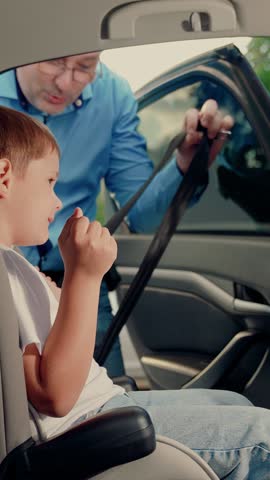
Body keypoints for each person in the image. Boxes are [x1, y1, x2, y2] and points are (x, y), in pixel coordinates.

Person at [0, 105, 270, 480]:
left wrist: (58, 297)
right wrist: (83, 274)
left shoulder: (12, 265)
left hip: (101, 405)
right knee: (263, 438)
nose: (58, 201)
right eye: (49, 182)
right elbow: (55, 395)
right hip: (88, 425)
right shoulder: (4, 275)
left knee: (232, 400)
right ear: (4, 179)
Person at [0, 53, 233, 377]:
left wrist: (185, 165)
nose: (67, 83)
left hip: (73, 283)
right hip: (3, 282)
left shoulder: (113, 96)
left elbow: (142, 216)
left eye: (85, 67)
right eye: (52, 62)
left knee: (107, 399)